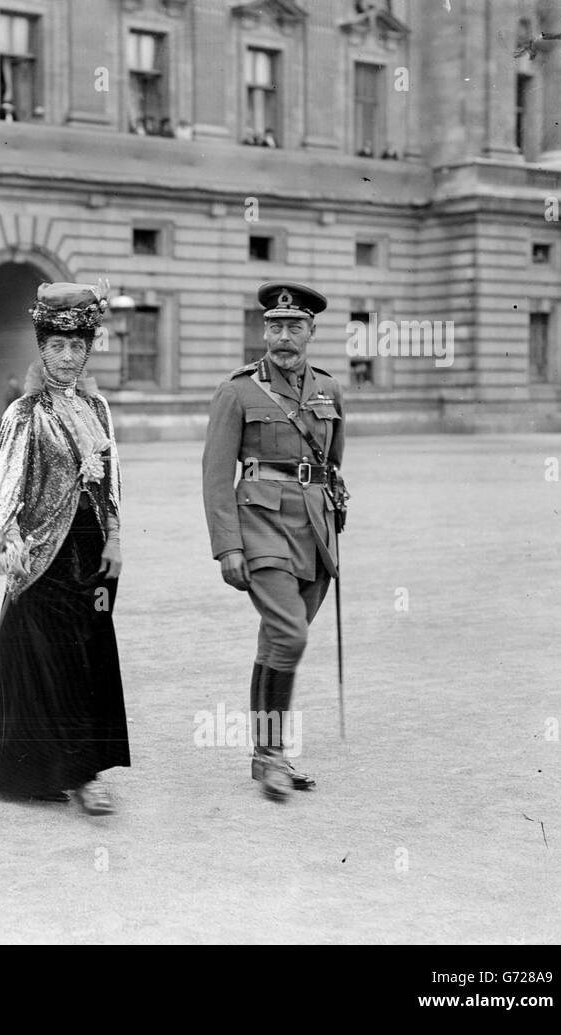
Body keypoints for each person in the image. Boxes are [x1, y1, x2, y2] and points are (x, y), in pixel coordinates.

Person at [0, 282, 130, 815]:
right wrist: (11, 543)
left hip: (90, 550)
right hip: (42, 553)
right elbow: (3, 490)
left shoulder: (98, 407)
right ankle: (36, 772)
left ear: (88, 349)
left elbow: (111, 477)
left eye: (77, 346)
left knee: (88, 654)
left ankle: (84, 768)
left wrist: (116, 536)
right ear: (41, 348)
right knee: (45, 659)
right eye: (56, 347)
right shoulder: (24, 414)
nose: (68, 357)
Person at [201, 281, 345, 802]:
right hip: (260, 527)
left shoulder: (329, 390)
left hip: (314, 534)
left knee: (275, 641)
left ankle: (265, 756)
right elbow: (217, 477)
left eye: (295, 326)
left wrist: (333, 511)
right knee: (290, 636)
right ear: (263, 330)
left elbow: (331, 465)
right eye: (275, 326)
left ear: (311, 331)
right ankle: (274, 754)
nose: (284, 336)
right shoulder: (237, 391)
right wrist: (227, 547)